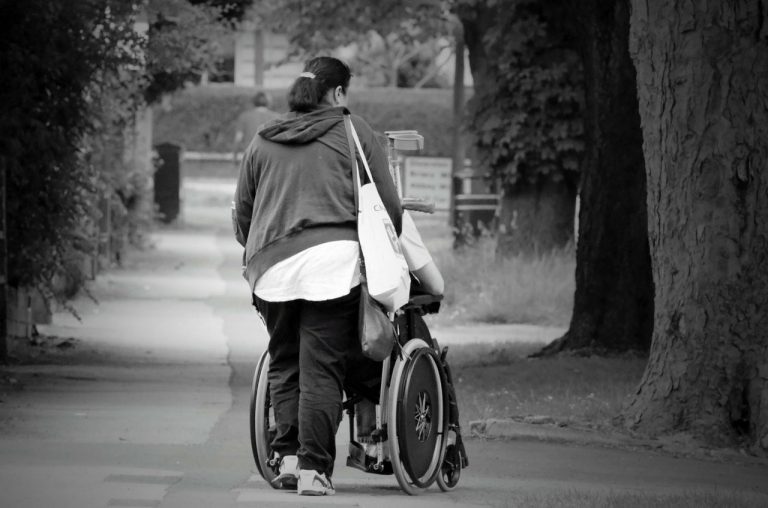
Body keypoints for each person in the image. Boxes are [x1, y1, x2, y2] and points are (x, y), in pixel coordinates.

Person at [233, 56, 402, 497]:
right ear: (339, 93)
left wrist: (258, 249)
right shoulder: (353, 130)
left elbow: (244, 213)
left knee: (284, 362)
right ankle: (313, 470)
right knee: (321, 367)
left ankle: (287, 459)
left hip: (270, 268)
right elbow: (388, 205)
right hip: (333, 266)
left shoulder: (263, 138)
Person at [233, 91, 280, 162]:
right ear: (268, 102)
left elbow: (238, 139)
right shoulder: (276, 117)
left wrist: (235, 157)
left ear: (253, 102)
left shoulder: (244, 116)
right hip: (270, 158)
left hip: (250, 157)